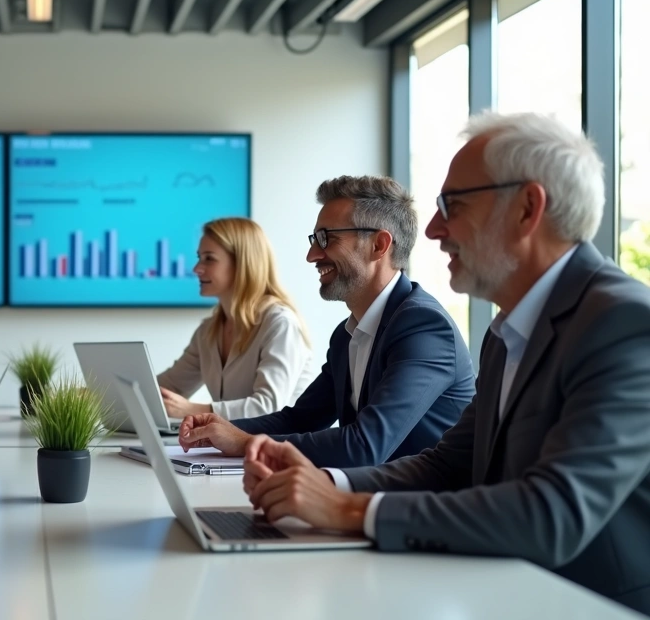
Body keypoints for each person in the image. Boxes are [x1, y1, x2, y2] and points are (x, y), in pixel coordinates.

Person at [242, 112, 650, 615]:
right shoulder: (507, 332)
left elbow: (553, 514)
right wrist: (325, 482)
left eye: (452, 205)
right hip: (500, 584)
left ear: (527, 209)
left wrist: (348, 508)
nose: (433, 229)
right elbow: (448, 464)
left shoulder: (626, 324)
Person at [179, 176, 474, 468]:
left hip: (421, 507)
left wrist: (244, 442)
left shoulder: (423, 327)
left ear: (379, 245)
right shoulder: (347, 334)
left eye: (327, 238)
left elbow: (364, 446)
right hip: (368, 496)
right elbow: (300, 419)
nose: (312, 255)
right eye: (314, 240)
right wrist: (219, 429)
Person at [157, 217, 317, 420]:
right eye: (199, 258)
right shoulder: (208, 331)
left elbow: (269, 407)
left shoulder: (279, 323)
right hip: (233, 447)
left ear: (242, 263)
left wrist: (193, 410)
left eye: (209, 258)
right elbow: (170, 388)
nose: (197, 268)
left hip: (278, 448)